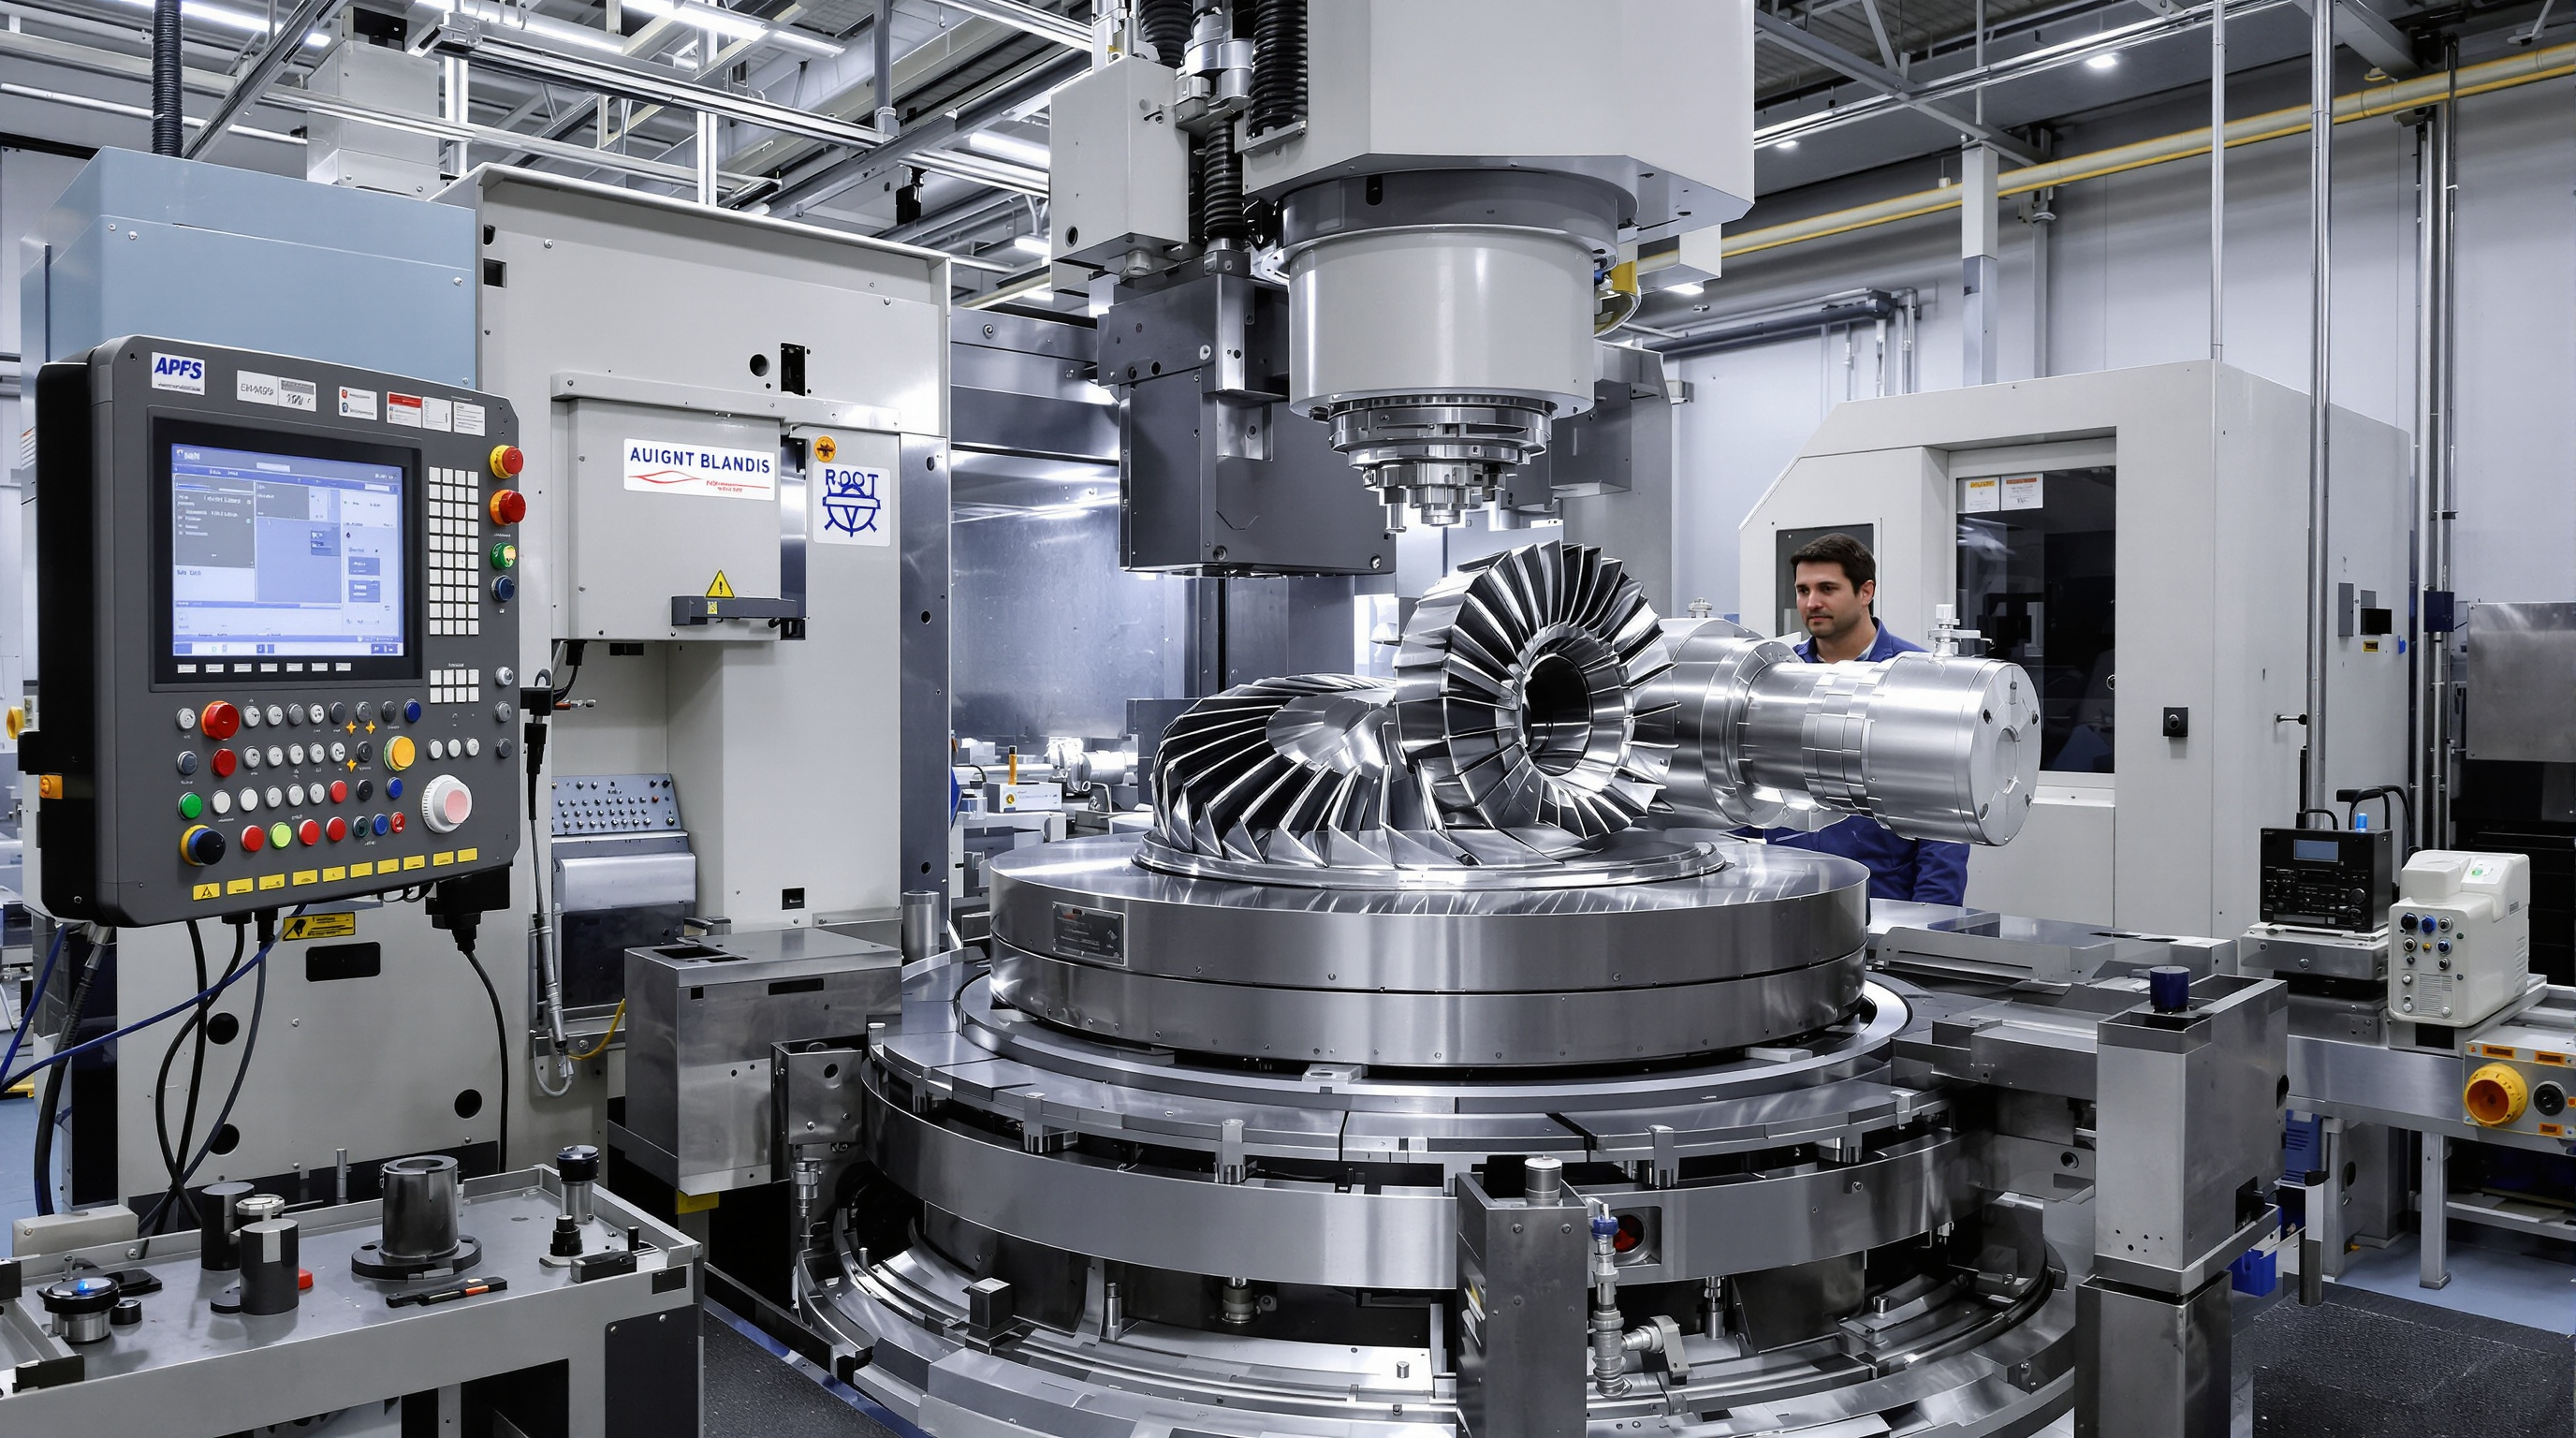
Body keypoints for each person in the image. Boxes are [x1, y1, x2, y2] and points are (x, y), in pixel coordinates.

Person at [1754, 532, 1969, 905]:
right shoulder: (1778, 676)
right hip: (1785, 894)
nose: (1812, 602)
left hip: (1882, 898)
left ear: (1866, 591)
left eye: (1827, 588)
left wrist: (1931, 918)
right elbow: (1750, 786)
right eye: (1803, 590)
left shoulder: (1920, 678)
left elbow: (1945, 819)